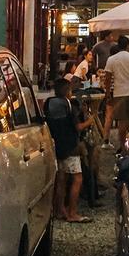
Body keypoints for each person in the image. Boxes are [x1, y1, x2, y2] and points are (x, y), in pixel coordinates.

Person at [45, 79, 93, 223]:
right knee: (77, 179)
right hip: (70, 147)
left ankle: (59, 210)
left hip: (56, 146)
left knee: (61, 179)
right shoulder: (69, 105)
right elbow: (77, 127)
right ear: (68, 91)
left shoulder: (49, 103)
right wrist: (90, 121)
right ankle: (72, 212)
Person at [104, 35, 129, 146]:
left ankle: (123, 147)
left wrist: (108, 94)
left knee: (121, 122)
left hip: (119, 93)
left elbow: (107, 79)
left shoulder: (111, 59)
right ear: (128, 45)